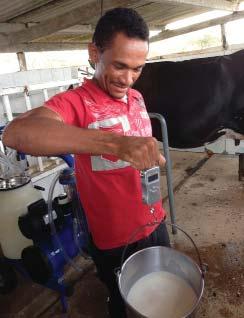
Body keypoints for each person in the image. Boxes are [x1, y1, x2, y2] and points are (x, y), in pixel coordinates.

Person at [3, 7, 170, 318]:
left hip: (154, 219)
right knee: (127, 302)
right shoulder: (76, 103)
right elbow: (17, 133)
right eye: (119, 65)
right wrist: (115, 144)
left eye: (138, 68)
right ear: (94, 52)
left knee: (163, 291)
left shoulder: (136, 98)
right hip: (114, 235)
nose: (128, 79)